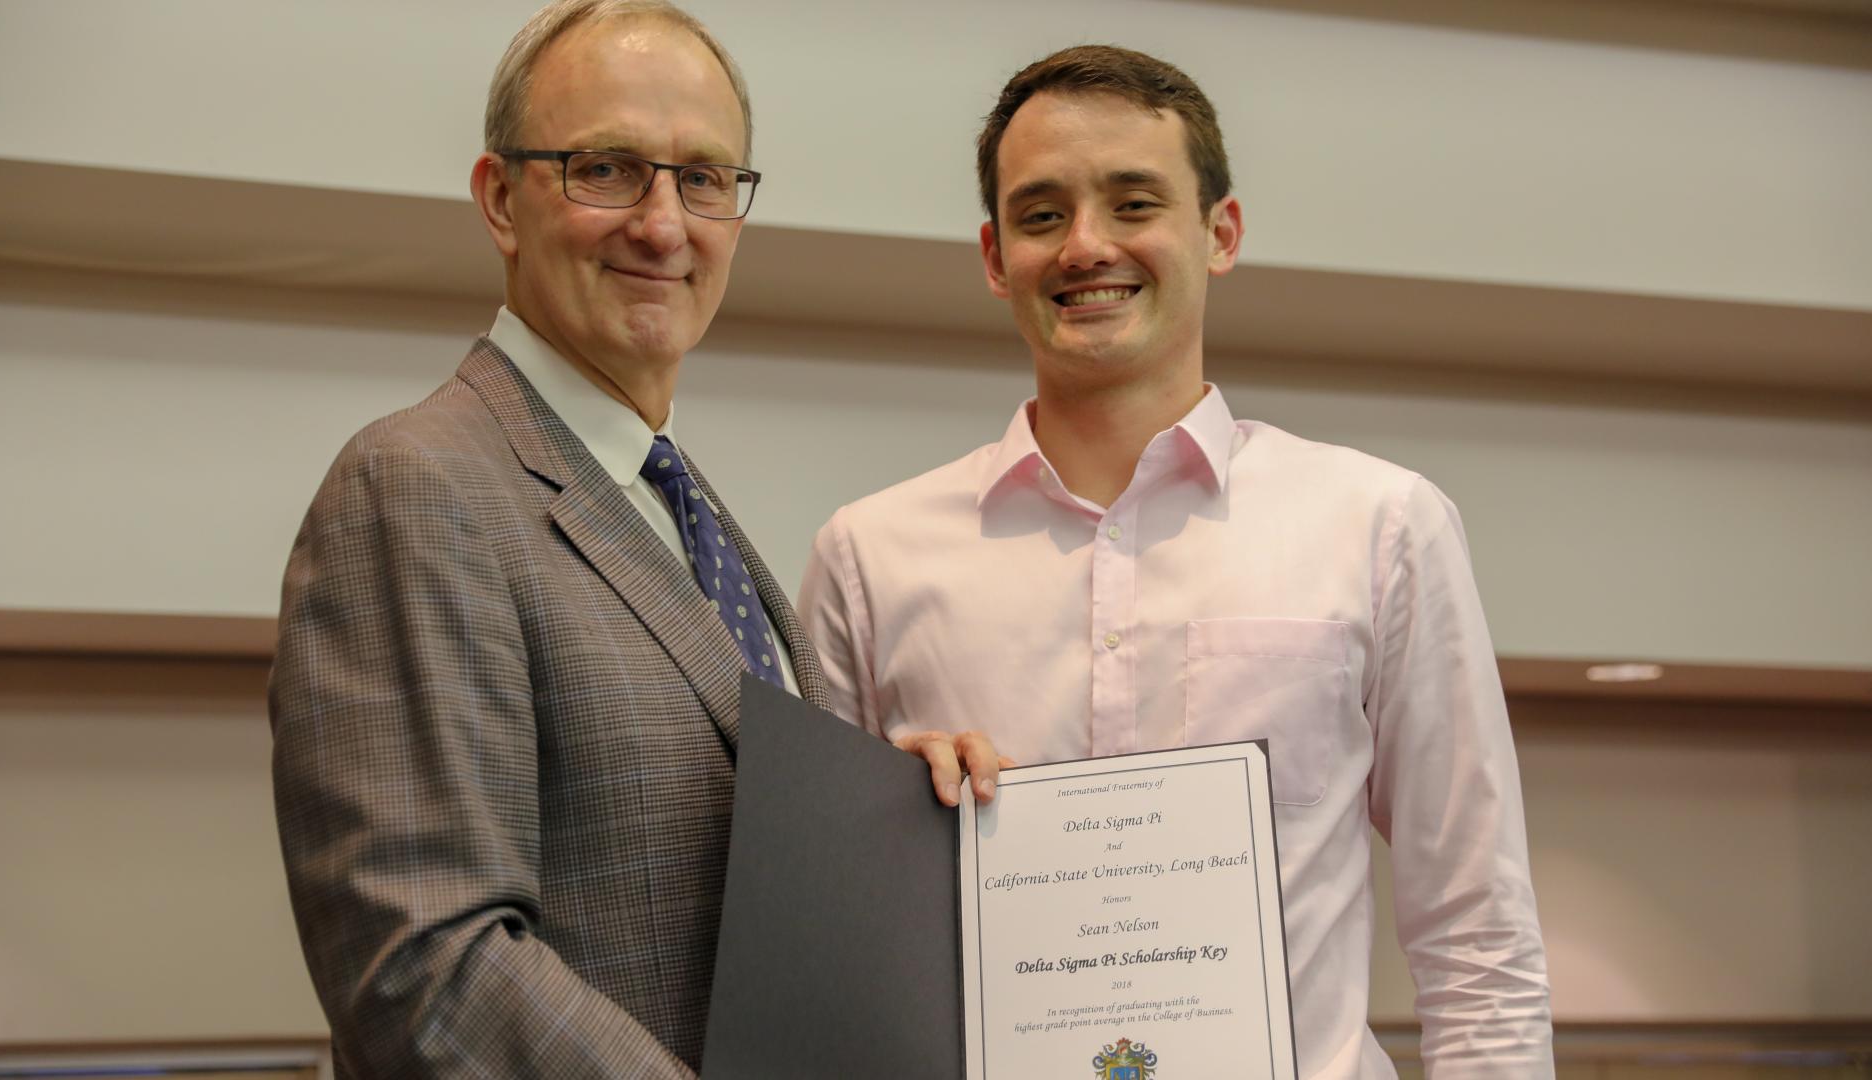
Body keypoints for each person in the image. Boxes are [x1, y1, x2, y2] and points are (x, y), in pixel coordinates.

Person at [798, 45, 1554, 1078]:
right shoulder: (868, 555)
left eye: (1134, 202)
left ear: (1221, 232)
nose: (1085, 246)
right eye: (1041, 214)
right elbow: (828, 948)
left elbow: (1479, 942)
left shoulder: (1381, 524)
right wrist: (895, 825)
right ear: (992, 255)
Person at [268, 2, 829, 1075]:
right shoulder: (415, 486)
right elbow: (425, 968)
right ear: (500, 199)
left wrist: (909, 810)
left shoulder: (683, 510)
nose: (664, 225)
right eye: (608, 169)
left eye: (704, 178)